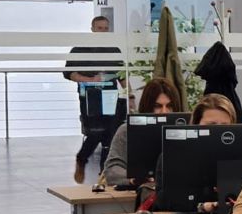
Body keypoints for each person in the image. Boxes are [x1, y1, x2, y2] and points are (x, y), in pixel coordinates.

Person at [64, 15, 126, 184]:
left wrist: (130, 95)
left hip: (110, 94)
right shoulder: (79, 49)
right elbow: (69, 73)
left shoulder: (114, 50)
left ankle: (103, 174)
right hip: (90, 95)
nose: (103, 31)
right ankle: (82, 158)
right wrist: (91, 80)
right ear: (92, 29)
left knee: (109, 134)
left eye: (106, 28)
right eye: (100, 28)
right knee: (96, 132)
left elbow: (122, 75)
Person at [100, 78, 182, 188]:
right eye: (157, 106)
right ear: (147, 106)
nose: (164, 111)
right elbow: (111, 170)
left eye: (169, 106)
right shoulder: (127, 131)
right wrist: (134, 179)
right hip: (137, 193)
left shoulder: (185, 132)